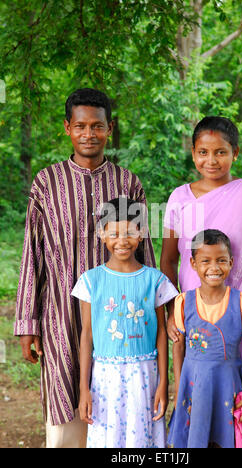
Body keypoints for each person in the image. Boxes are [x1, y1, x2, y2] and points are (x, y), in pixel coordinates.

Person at [14, 88, 156, 448]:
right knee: (64, 418)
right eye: (80, 126)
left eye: (97, 126)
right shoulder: (46, 183)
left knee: (118, 415)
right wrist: (27, 324)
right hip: (61, 315)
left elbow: (148, 254)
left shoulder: (129, 183)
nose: (89, 134)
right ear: (67, 128)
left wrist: (159, 315)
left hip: (121, 318)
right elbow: (32, 254)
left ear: (110, 128)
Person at [161, 116, 242, 448]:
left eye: (220, 152)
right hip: (198, 309)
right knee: (202, 382)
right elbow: (169, 259)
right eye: (203, 152)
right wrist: (171, 312)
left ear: (235, 152)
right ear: (192, 153)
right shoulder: (180, 199)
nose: (211, 160)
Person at [71, 197, 178, 448]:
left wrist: (163, 383)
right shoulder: (90, 281)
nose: (122, 240)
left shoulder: (155, 281)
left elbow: (161, 333)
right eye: (114, 233)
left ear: (140, 234)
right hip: (104, 379)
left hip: (145, 376)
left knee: (141, 439)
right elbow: (86, 336)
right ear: (102, 234)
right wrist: (83, 388)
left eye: (129, 232)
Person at [167, 229, 242, 448]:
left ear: (231, 262)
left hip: (228, 381)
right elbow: (177, 348)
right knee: (197, 437)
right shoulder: (184, 302)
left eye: (221, 260)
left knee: (227, 438)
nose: (214, 267)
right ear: (193, 264)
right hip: (194, 382)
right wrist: (179, 387)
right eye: (206, 261)